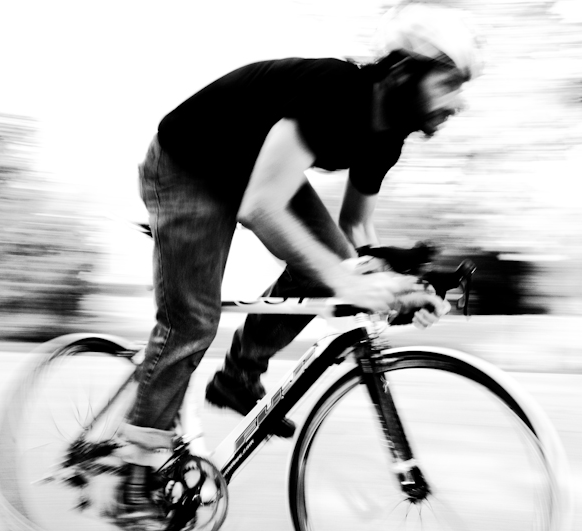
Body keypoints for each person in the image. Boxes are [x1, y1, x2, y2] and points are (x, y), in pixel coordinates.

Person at [116, 3, 482, 527]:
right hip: (187, 166)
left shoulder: (387, 136)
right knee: (192, 321)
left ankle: (239, 375)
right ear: (405, 72)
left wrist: (400, 287)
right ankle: (131, 474)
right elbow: (261, 203)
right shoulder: (335, 91)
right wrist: (341, 276)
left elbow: (355, 234)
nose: (458, 103)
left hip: (249, 168)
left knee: (339, 269)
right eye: (449, 83)